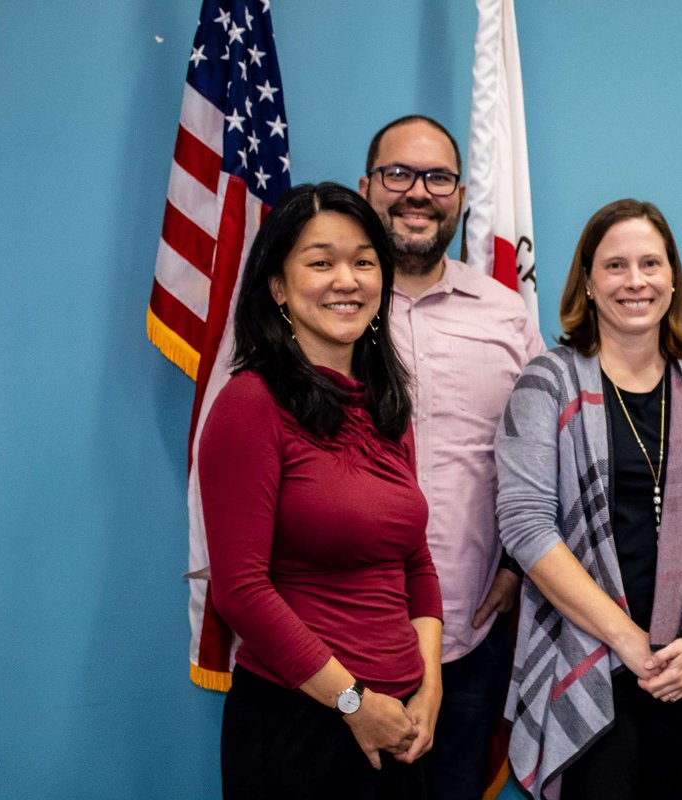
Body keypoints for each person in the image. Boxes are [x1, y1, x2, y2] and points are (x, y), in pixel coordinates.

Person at [496, 198, 682, 800]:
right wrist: (627, 641)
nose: (635, 281)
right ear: (587, 282)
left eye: (651, 263)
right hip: (587, 655)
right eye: (615, 266)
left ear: (673, 277)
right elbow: (526, 527)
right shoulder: (548, 383)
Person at [199, 182, 443, 799]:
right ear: (277, 287)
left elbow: (414, 559)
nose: (347, 280)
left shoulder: (388, 404)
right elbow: (240, 590)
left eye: (364, 261)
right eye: (320, 261)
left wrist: (431, 686)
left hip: (401, 725)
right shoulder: (250, 403)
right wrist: (353, 701)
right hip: (300, 725)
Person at [358, 114, 545, 799]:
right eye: (398, 174)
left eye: (437, 177)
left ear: (461, 196)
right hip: (342, 633)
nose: (417, 192)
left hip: (470, 631)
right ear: (366, 185)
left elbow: (543, 454)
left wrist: (518, 562)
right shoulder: (331, 308)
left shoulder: (506, 314)